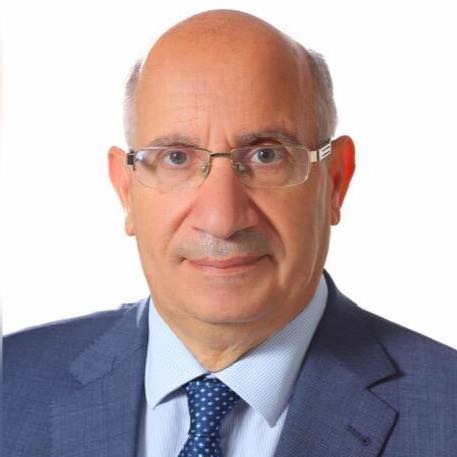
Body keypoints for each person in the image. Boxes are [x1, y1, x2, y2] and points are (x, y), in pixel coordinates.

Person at [3, 9, 456, 457]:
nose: (222, 218)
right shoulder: (12, 383)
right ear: (125, 190)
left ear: (335, 181)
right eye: (176, 158)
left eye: (266, 156)